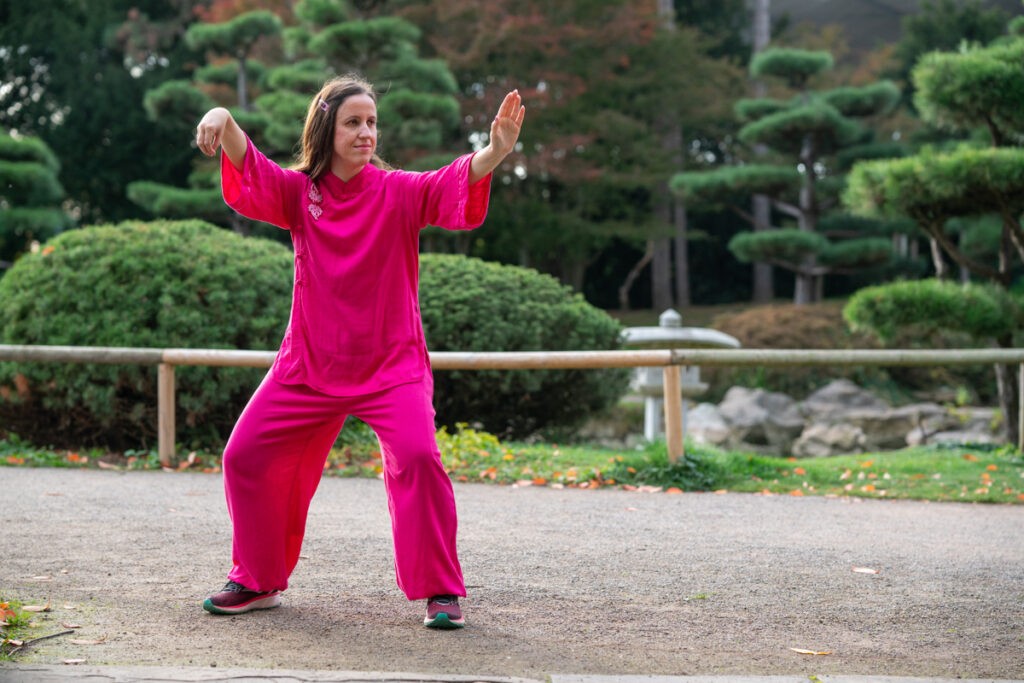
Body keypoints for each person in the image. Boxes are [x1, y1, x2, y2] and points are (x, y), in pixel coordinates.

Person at [193, 74, 525, 629]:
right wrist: (223, 117)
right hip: (308, 363)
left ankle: (440, 591)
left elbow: (451, 181)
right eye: (353, 122)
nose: (366, 132)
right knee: (244, 456)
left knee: (419, 458)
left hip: (391, 365)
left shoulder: (398, 191)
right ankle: (256, 579)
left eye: (371, 122)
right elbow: (253, 166)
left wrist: (494, 151)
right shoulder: (300, 194)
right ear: (327, 128)